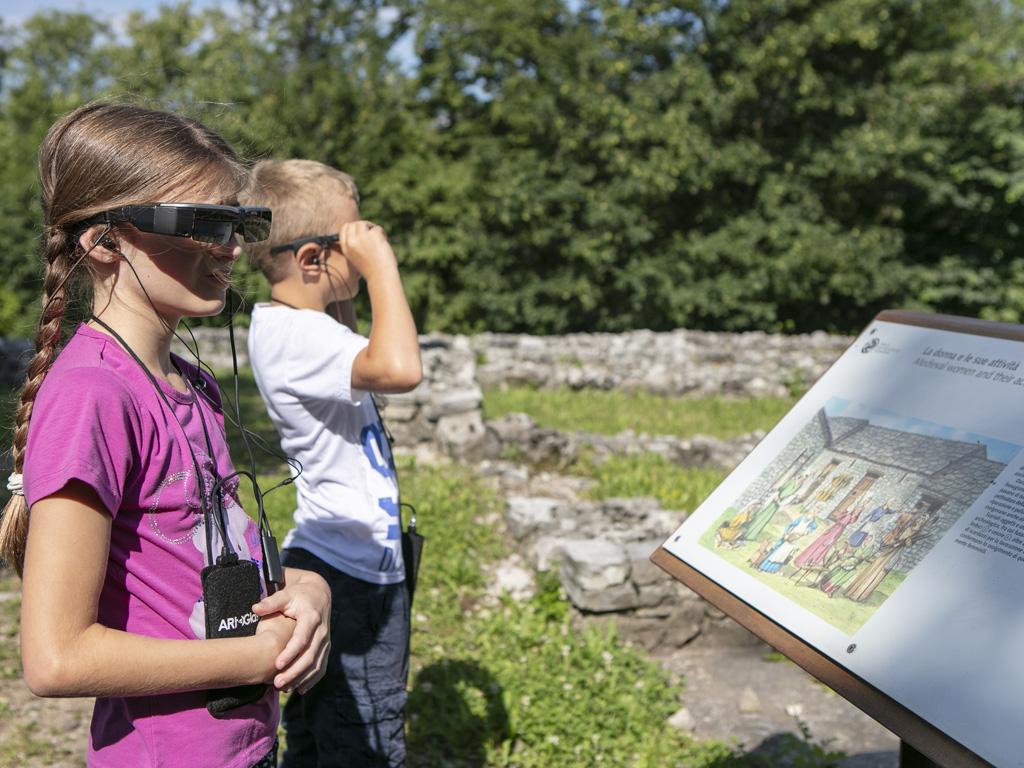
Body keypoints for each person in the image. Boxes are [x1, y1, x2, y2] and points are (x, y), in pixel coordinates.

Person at [0, 102, 332, 768]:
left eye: (240, 220)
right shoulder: (94, 396)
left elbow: (211, 556)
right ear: (104, 241)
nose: (232, 244)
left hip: (243, 745)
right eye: (204, 221)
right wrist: (254, 656)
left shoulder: (190, 383)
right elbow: (55, 657)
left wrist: (307, 587)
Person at [240, 158, 422, 767]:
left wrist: (350, 269)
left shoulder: (296, 326)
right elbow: (400, 368)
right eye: (352, 237)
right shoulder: (299, 337)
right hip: (351, 570)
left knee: (320, 723)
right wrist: (383, 269)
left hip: (334, 555)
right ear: (314, 259)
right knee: (365, 730)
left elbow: (359, 343)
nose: (365, 245)